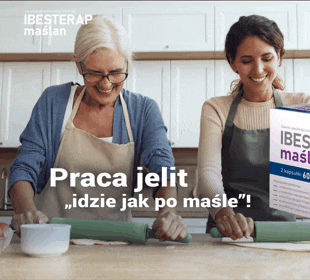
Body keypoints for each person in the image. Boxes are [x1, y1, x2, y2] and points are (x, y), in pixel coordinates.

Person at [8, 15, 187, 241]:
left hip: (117, 244)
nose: (105, 83)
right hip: (51, 241)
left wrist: (169, 213)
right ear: (78, 65)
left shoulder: (143, 110)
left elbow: (164, 172)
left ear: (127, 65)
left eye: (115, 72)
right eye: (94, 73)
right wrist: (26, 211)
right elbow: (24, 166)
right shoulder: (54, 102)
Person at [195, 15, 310, 240]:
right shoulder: (216, 109)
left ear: (280, 57)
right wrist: (224, 215)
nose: (258, 69)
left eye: (267, 58)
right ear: (233, 63)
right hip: (227, 234)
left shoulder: (303, 106)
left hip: (282, 234)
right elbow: (207, 176)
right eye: (247, 60)